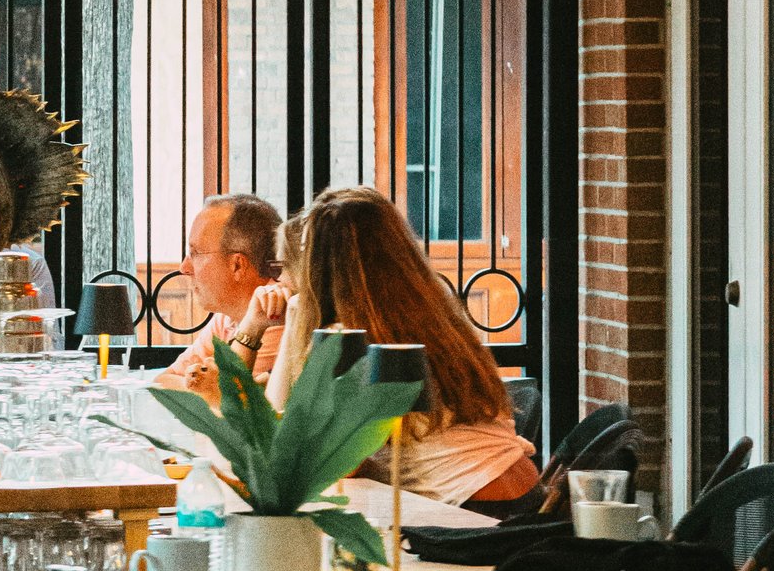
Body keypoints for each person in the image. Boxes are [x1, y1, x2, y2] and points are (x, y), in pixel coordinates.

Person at [267, 185, 539, 510]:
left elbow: (317, 462)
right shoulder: (432, 310)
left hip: (473, 515)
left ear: (320, 266)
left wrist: (296, 319)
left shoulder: (352, 340)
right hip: (527, 497)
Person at [158, 192, 288, 398]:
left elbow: (234, 407)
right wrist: (207, 390)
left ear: (237, 265)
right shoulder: (228, 317)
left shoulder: (275, 315)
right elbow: (163, 380)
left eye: (195, 253)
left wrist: (210, 390)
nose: (184, 267)